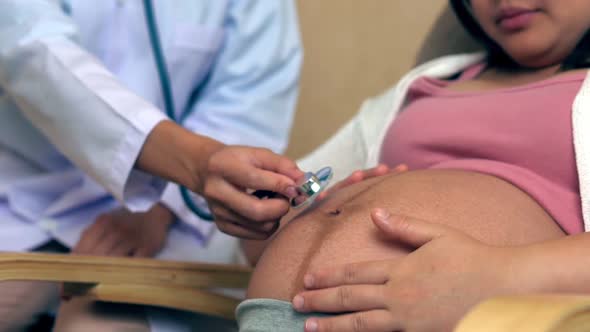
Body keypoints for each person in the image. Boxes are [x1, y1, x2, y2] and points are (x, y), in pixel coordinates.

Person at [227, 0, 590, 331]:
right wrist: (295, 209)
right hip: (273, 316)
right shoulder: (425, 84)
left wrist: (502, 278)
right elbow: (255, 236)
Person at [0, 0, 302, 331]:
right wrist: (198, 163)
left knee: (92, 326)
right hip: (27, 194)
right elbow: (32, 51)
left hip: (174, 213)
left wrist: (162, 209)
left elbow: (248, 106)